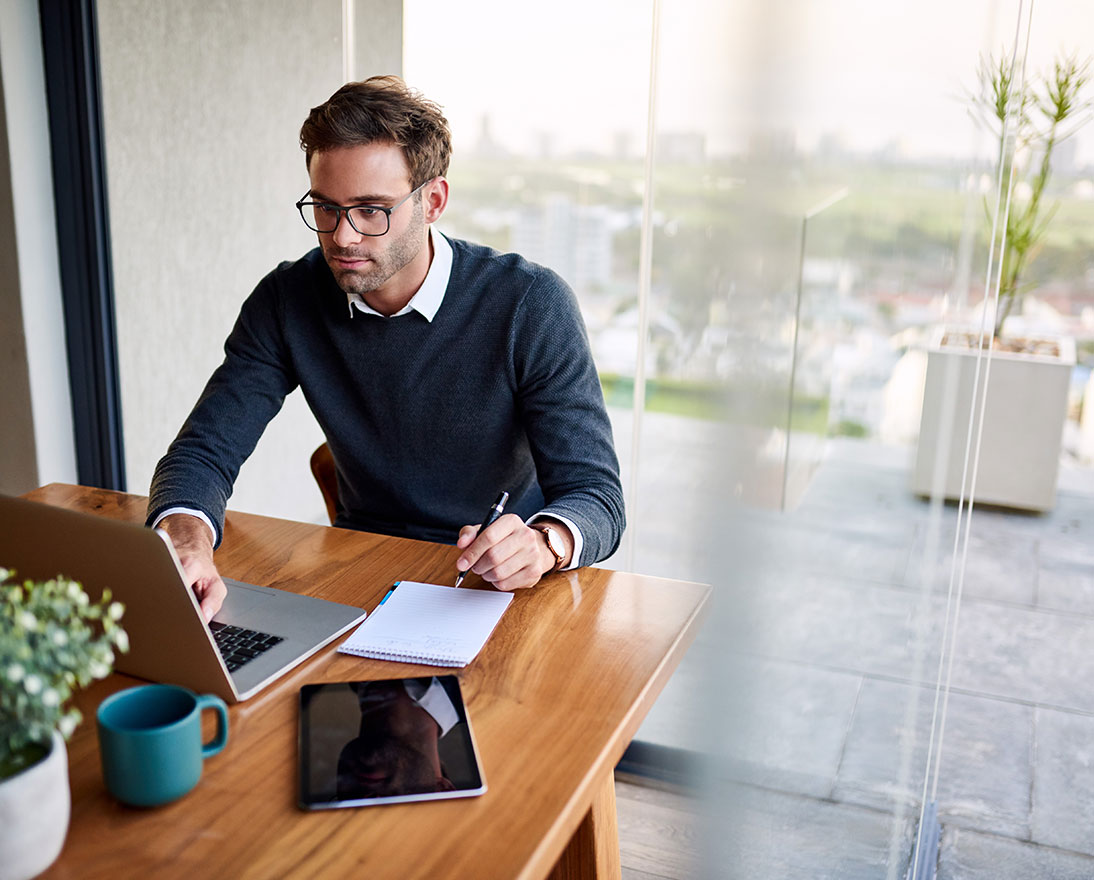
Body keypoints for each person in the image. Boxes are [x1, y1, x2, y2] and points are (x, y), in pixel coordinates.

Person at [146, 76, 624, 621]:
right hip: (364, 572)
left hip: (502, 587)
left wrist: (544, 544)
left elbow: (597, 497)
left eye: (371, 209)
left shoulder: (529, 304)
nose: (342, 237)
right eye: (325, 208)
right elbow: (204, 451)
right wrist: (184, 540)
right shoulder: (287, 299)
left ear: (433, 201)